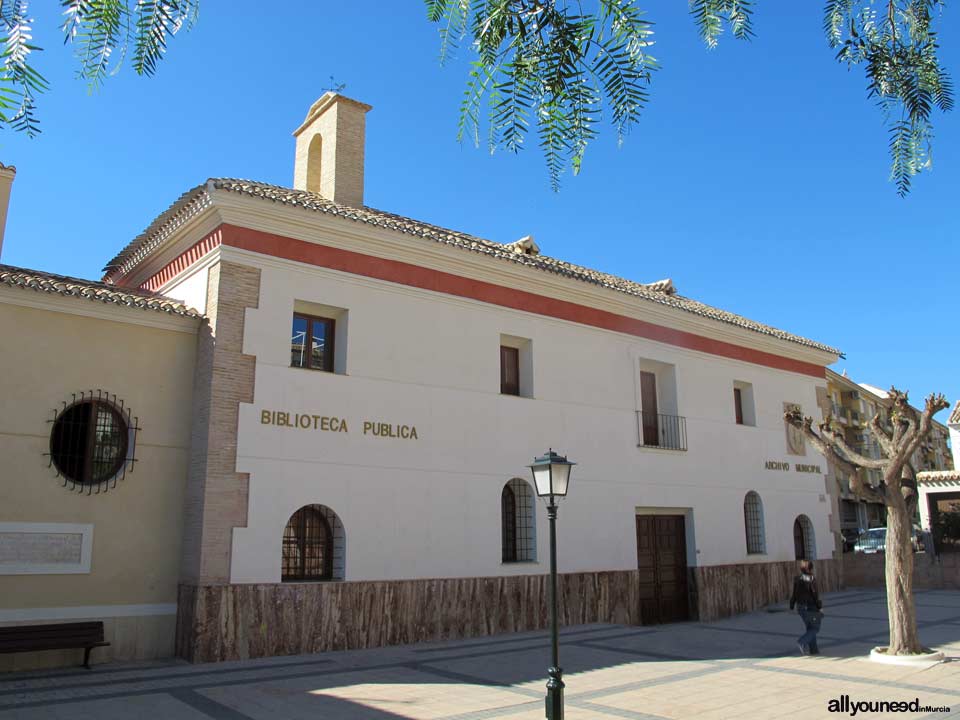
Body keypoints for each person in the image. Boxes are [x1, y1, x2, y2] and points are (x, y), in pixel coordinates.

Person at [789, 559, 823, 655]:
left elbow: (794, 593)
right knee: (815, 628)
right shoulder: (811, 579)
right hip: (810, 607)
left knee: (810, 627)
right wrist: (819, 607)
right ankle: (802, 642)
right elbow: (815, 594)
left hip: (800, 607)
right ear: (811, 568)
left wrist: (792, 605)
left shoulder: (797, 578)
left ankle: (814, 650)